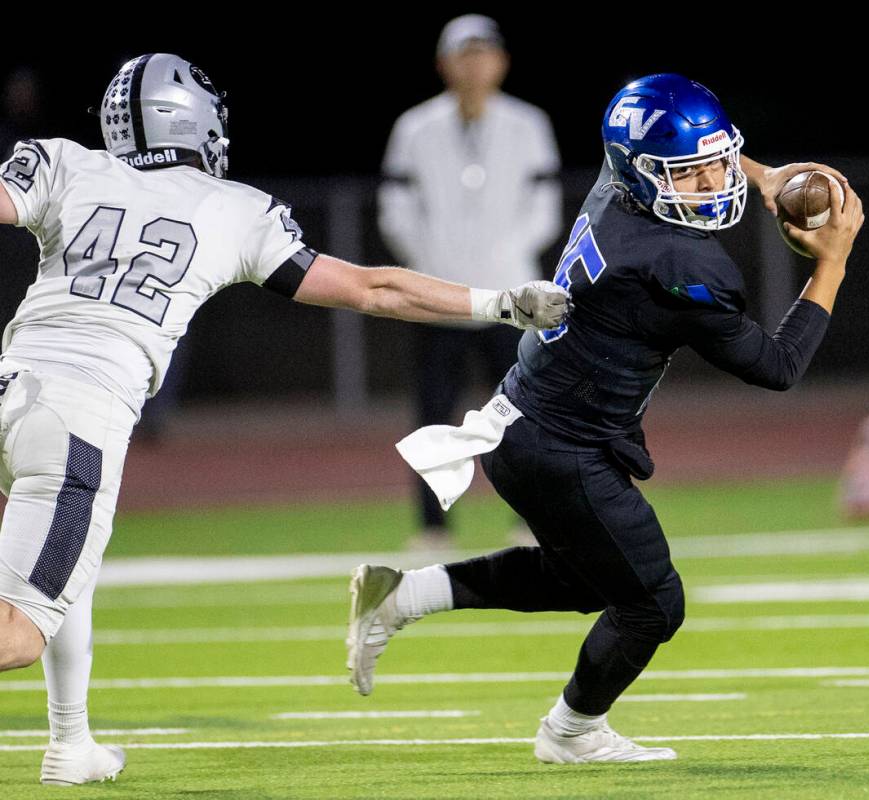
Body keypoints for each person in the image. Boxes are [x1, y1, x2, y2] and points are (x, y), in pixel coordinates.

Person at [0, 53, 569, 785]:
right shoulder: (233, 208)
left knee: (61, 572)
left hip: (10, 383)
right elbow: (373, 289)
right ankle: (70, 741)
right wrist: (496, 303)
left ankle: (71, 743)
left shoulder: (64, 164)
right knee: (17, 634)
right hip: (77, 417)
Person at [347, 73, 864, 763]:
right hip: (561, 449)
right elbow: (776, 368)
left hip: (523, 420)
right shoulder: (677, 263)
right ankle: (571, 732)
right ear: (645, 176)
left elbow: (673, 156)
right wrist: (830, 264)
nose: (713, 182)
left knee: (586, 578)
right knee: (653, 602)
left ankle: (403, 597)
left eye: (717, 161)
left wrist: (762, 174)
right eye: (690, 172)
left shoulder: (613, 186)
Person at [378, 14, 563, 548]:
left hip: (512, 296)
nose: (476, 63)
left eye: (485, 53)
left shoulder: (529, 124)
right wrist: (432, 261)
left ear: (501, 62)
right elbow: (396, 208)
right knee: (433, 415)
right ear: (444, 63)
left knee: (523, 413)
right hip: (439, 299)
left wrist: (505, 256)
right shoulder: (414, 127)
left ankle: (532, 520)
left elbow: (544, 208)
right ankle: (433, 529)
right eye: (465, 53)